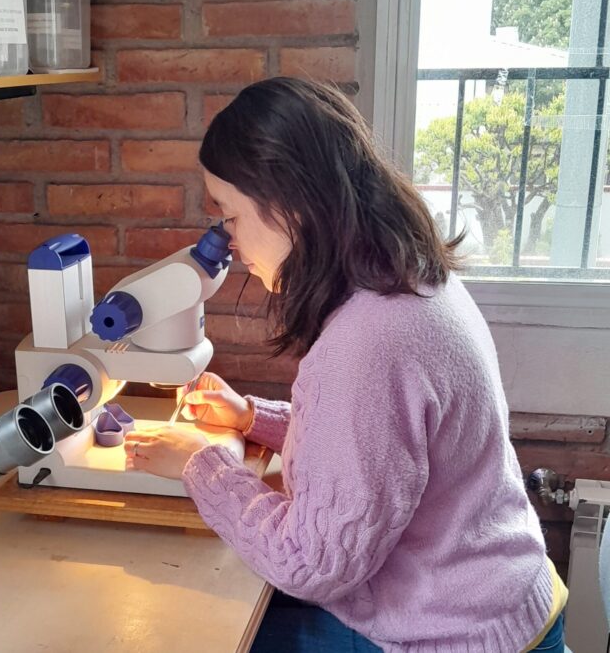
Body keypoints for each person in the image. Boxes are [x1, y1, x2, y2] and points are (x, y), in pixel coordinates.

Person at [123, 77, 568, 652]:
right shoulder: (411, 280)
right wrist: (250, 418)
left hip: (451, 632)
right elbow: (381, 447)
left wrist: (203, 466)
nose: (228, 242)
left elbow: (314, 562)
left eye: (230, 216)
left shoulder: (367, 342)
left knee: (186, 627)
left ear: (289, 208)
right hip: (504, 602)